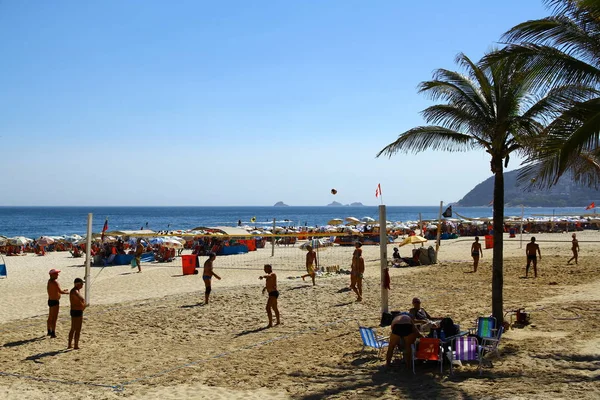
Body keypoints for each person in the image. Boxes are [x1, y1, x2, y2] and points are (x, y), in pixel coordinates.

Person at [47, 269, 69, 338]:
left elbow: (56, 291)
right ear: (52, 275)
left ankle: (49, 331)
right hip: (55, 301)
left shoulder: (49, 281)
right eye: (56, 274)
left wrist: (63, 291)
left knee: (50, 316)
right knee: (54, 318)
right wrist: (67, 293)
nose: (57, 275)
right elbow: (60, 291)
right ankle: (53, 332)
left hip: (50, 300)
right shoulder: (55, 282)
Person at [68, 278, 86, 350]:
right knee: (77, 329)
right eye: (82, 284)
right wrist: (84, 305)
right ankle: (75, 345)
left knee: (73, 328)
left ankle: (70, 344)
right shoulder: (75, 291)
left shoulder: (75, 290)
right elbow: (82, 299)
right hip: (77, 311)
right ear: (77, 284)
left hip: (75, 310)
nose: (82, 285)